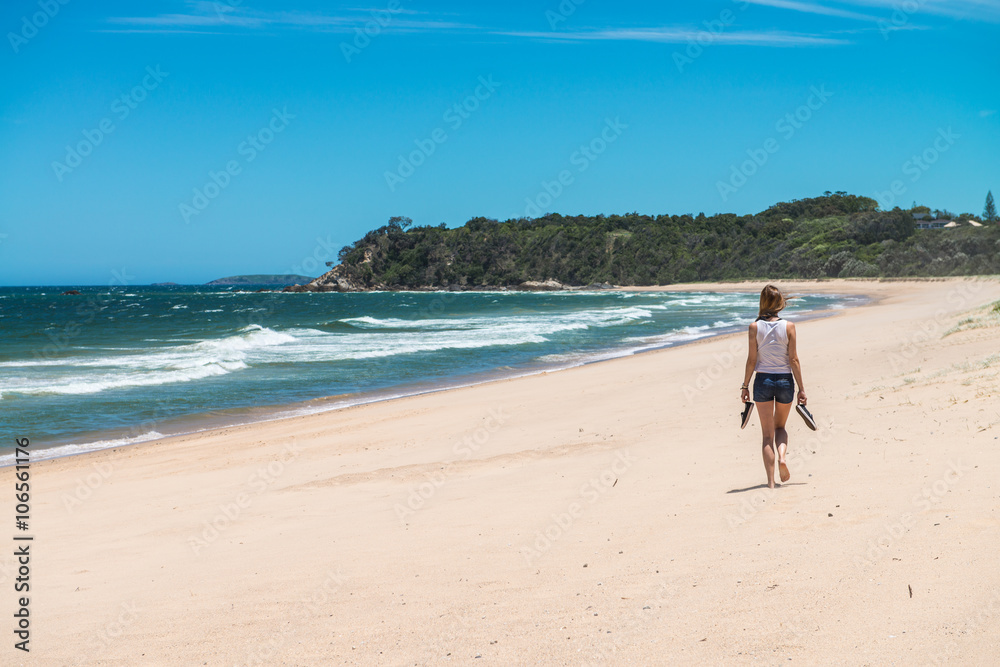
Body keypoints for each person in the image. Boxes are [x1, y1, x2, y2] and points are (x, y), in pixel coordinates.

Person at [740, 285, 807, 488]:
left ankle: (770, 482)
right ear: (779, 304)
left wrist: (745, 386)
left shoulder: (754, 327)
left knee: (767, 435)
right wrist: (802, 388)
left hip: (763, 381)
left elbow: (752, 359)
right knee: (780, 427)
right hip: (786, 381)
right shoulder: (789, 326)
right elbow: (793, 359)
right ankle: (782, 457)